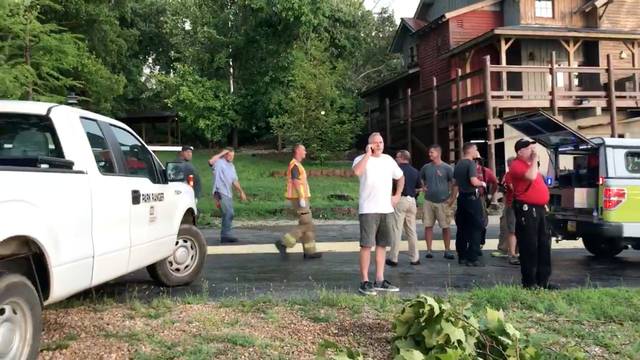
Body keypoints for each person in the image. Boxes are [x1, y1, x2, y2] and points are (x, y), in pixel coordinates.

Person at [352, 132, 404, 295]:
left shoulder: (388, 160)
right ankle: (365, 281)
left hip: (386, 209)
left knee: (382, 245)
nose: (379, 145)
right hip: (368, 208)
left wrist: (397, 195)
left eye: (381, 142)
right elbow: (357, 172)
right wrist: (368, 154)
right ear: (369, 145)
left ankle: (380, 279)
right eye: (375, 143)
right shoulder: (361, 159)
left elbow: (400, 177)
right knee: (367, 245)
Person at [510, 139, 557, 289]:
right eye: (529, 149)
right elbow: (530, 177)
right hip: (527, 209)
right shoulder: (516, 165)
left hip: (539, 208)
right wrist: (535, 159)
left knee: (543, 244)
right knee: (529, 245)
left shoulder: (531, 166)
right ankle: (529, 282)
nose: (533, 151)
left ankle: (543, 280)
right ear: (520, 152)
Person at [275, 144, 322, 259]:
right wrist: (301, 197)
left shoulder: (298, 165)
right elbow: (295, 181)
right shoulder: (294, 165)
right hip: (299, 199)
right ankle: (283, 243)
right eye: (304, 150)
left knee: (307, 224)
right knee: (307, 223)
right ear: (297, 151)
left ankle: (309, 251)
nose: (305, 152)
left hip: (302, 198)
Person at [419, 144, 457, 260]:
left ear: (438, 153)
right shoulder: (426, 167)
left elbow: (455, 183)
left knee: (445, 226)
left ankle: (447, 250)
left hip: (443, 201)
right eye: (429, 152)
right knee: (428, 226)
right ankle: (429, 250)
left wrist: (452, 198)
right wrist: (423, 186)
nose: (429, 154)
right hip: (428, 201)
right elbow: (420, 177)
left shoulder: (447, 168)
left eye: (432, 152)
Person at [453, 142, 487, 266]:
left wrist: (452, 199)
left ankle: (461, 255)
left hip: (461, 198)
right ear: (471, 150)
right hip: (472, 198)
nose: (477, 151)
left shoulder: (459, 164)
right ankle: (472, 257)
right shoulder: (470, 163)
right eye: (476, 149)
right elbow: (473, 181)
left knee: (462, 228)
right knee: (476, 227)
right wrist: (482, 183)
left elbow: (455, 183)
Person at [386, 150, 420, 267]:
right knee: (411, 230)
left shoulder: (396, 170)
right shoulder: (415, 171)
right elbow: (418, 188)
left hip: (400, 200)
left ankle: (393, 258)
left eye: (396, 157)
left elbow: (391, 185)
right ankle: (415, 258)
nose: (395, 159)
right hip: (412, 201)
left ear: (401, 158)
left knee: (396, 229)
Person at [208, 148, 247, 243]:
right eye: (229, 155)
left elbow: (234, 180)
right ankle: (225, 235)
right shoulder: (219, 163)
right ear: (225, 155)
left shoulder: (231, 166)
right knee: (228, 213)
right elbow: (210, 161)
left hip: (228, 193)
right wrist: (222, 153)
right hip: (220, 191)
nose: (231, 157)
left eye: (233, 156)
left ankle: (226, 234)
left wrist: (241, 192)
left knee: (229, 213)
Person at [492, 156, 520, 265]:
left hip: (514, 204)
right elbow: (509, 189)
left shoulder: (515, 175)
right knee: (509, 228)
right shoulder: (508, 175)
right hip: (511, 204)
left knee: (512, 228)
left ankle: (513, 250)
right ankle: (509, 251)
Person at [474, 156, 498, 250]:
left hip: (480, 198)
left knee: (482, 221)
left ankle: (480, 242)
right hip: (468, 197)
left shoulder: (485, 171)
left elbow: (495, 182)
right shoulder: (467, 170)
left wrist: (490, 195)